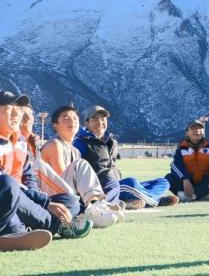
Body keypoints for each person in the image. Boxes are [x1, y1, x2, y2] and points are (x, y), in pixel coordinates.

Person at [0, 90, 91, 246]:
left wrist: (45, 202)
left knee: (70, 201)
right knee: (8, 185)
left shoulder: (20, 142)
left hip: (18, 200)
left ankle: (29, 227)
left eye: (19, 109)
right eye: (9, 109)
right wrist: (45, 203)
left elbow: (29, 178)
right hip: (7, 197)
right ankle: (53, 225)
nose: (16, 114)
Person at [30, 105, 121, 228]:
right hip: (50, 196)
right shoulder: (55, 145)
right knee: (81, 164)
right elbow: (60, 182)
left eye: (75, 118)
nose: (72, 121)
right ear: (56, 126)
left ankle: (96, 207)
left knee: (106, 179)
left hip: (65, 194)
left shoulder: (75, 151)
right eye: (66, 118)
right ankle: (94, 207)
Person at [74, 105, 177, 209]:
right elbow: (75, 171)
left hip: (118, 184)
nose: (100, 123)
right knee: (131, 183)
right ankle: (156, 201)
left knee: (163, 182)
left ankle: (126, 202)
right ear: (87, 122)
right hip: (103, 188)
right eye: (95, 119)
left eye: (103, 119)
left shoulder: (112, 142)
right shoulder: (81, 143)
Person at [166, 119, 209, 202]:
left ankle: (191, 196)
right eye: (193, 129)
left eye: (200, 128)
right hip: (188, 182)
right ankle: (205, 195)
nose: (197, 131)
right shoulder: (181, 150)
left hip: (206, 182)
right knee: (169, 178)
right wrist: (185, 179)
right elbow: (175, 165)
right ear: (187, 132)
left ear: (203, 131)